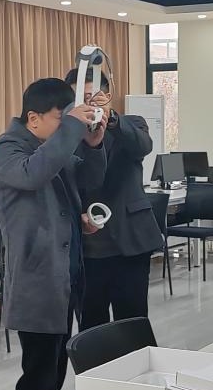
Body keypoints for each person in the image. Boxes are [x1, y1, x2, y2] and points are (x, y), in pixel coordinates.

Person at [0, 78, 106, 390]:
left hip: (65, 275)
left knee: (54, 373)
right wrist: (73, 128)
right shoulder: (8, 149)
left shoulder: (51, 145)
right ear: (33, 117)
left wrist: (93, 141)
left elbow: (89, 179)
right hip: (36, 279)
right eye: (61, 118)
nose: (66, 126)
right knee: (37, 377)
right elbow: (34, 175)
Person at [63, 68, 161, 329]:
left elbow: (143, 146)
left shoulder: (131, 123)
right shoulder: (66, 134)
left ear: (106, 96)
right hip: (88, 247)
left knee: (133, 323)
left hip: (130, 241)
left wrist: (112, 119)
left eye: (92, 96)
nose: (87, 104)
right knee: (91, 325)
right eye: (79, 98)